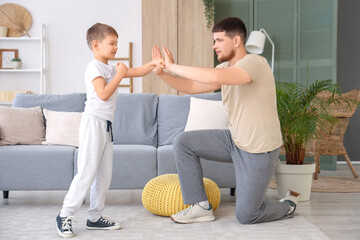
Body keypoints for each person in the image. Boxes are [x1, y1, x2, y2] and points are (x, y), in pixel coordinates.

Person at [151, 17, 300, 225]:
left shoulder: (255, 63)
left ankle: (288, 204)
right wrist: (162, 73)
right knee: (183, 142)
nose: (215, 46)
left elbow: (213, 78)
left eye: (219, 40)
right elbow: (192, 87)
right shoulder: (224, 69)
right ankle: (200, 206)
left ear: (236, 40)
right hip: (234, 140)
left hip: (259, 149)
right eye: (214, 41)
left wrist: (173, 66)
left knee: (247, 215)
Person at [56, 23, 164, 238]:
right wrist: (119, 75)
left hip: (106, 126)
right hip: (93, 123)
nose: (116, 47)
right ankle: (65, 215)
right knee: (87, 171)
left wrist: (154, 63)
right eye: (112, 43)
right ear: (96, 45)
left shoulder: (111, 68)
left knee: (104, 175)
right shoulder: (94, 67)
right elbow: (103, 94)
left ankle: (95, 217)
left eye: (117, 43)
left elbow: (138, 72)